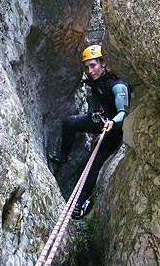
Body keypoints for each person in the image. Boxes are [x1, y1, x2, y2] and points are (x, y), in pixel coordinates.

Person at [48, 45, 130, 219]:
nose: (90, 70)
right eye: (86, 67)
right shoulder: (96, 81)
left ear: (103, 63)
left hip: (114, 128)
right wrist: (96, 115)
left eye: (93, 65)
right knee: (70, 122)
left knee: (95, 162)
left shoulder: (118, 85)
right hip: (102, 120)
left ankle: (80, 203)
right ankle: (63, 155)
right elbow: (97, 101)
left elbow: (123, 113)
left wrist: (112, 123)